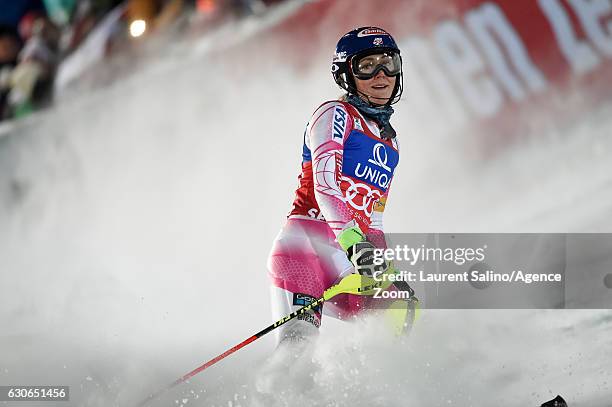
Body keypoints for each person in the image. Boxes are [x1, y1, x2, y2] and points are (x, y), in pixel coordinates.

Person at [266, 27, 416, 347]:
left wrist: (387, 270)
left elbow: (373, 220)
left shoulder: (391, 142)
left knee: (397, 328)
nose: (381, 74)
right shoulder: (335, 114)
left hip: (349, 256)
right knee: (298, 350)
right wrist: (356, 246)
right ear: (347, 75)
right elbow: (326, 186)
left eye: (388, 63)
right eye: (367, 65)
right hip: (304, 248)